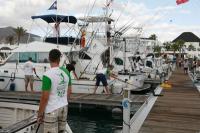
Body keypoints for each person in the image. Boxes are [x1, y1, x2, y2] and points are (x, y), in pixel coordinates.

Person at [37, 49, 72, 133]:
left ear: (49, 59)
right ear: (59, 59)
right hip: (64, 107)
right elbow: (69, 91)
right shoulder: (66, 72)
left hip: (51, 109)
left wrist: (40, 114)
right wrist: (64, 102)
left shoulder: (47, 75)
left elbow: (45, 97)